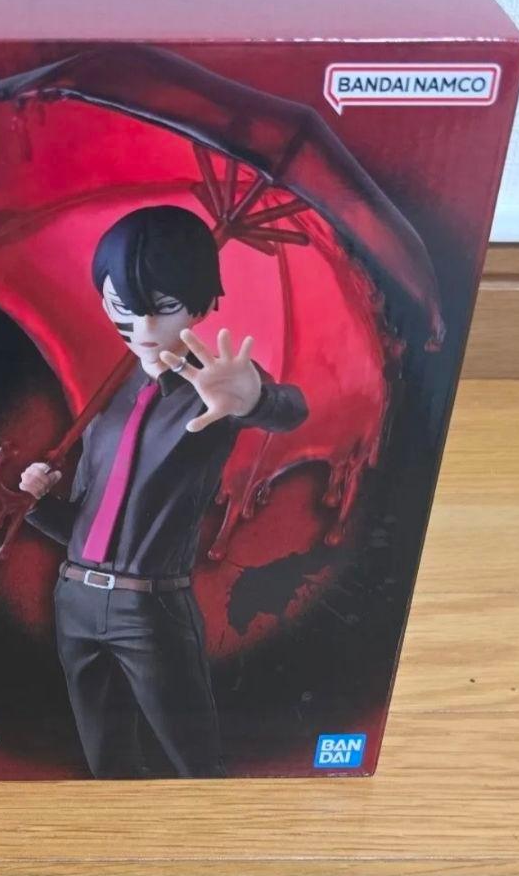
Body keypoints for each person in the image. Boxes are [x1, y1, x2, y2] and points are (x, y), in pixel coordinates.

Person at [20, 205, 308, 778]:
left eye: (166, 306)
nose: (145, 328)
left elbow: (289, 410)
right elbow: (90, 523)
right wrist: (36, 504)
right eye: (125, 307)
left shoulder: (215, 386)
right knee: (107, 762)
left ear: (200, 303)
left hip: (148, 608)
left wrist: (254, 399)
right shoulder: (111, 399)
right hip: (74, 599)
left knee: (194, 762)